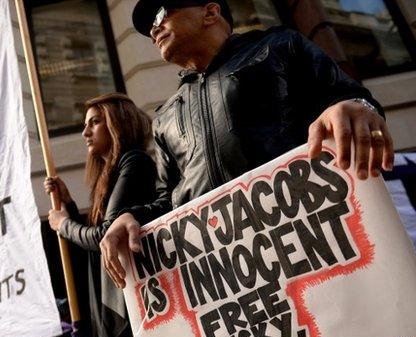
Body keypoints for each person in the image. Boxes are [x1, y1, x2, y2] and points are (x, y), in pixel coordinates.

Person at [99, 0, 395, 288]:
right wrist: (131, 217)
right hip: (230, 283)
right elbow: (169, 202)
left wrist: (354, 107)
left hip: (316, 258)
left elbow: (354, 102)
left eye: (162, 13)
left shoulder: (279, 47)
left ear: (210, 12)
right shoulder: (165, 118)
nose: (154, 28)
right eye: (149, 25)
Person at [44, 93, 156, 337]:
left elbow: (103, 237)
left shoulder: (135, 162)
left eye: (94, 122)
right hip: (113, 307)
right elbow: (97, 240)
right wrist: (69, 205)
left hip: (130, 310)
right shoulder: (109, 175)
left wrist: (63, 223)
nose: (85, 132)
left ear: (118, 124)